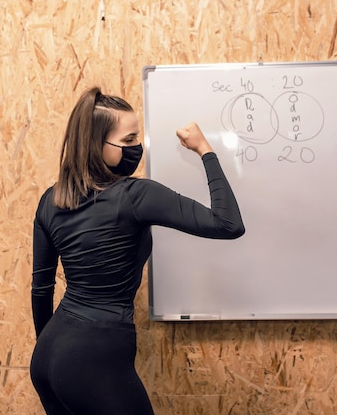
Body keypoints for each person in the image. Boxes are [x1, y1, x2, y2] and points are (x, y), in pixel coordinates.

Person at [29, 86, 245, 414]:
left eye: (137, 138)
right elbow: (228, 223)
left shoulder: (52, 199)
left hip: (48, 355)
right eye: (128, 141)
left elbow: (41, 289)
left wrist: (51, 352)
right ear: (95, 145)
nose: (137, 147)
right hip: (92, 357)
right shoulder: (135, 195)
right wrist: (205, 150)